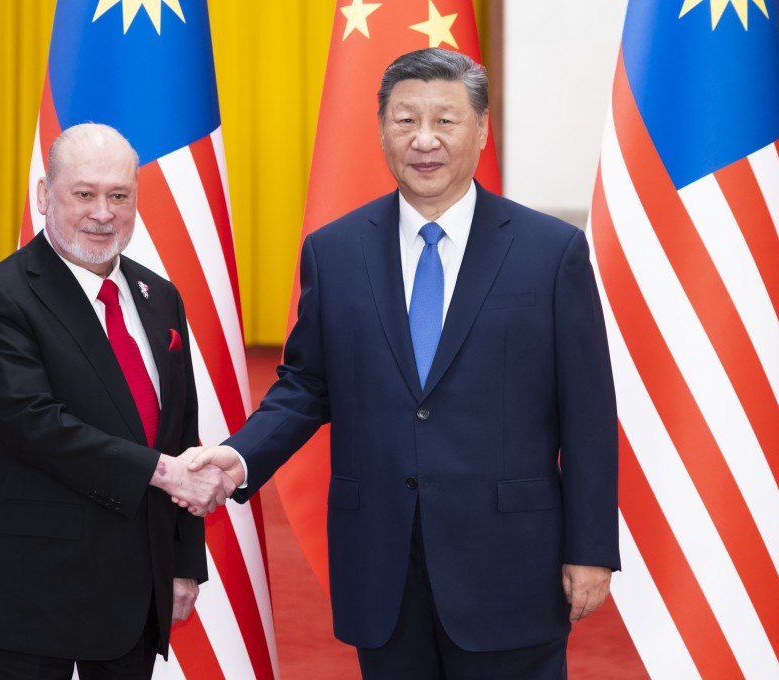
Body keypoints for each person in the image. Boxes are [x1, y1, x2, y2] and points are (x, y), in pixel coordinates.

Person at [183, 48, 620, 679]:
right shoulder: (334, 251)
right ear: (382, 128)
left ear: (482, 129)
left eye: (445, 120)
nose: (424, 139)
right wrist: (241, 455)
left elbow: (588, 414)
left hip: (510, 562)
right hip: (383, 562)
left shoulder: (551, 253)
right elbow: (306, 385)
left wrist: (591, 547)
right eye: (406, 119)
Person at [0, 123, 235, 679]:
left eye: (119, 195)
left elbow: (181, 432)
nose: (103, 213)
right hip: (33, 590)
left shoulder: (160, 297)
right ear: (45, 195)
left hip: (135, 590)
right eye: (84, 193)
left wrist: (182, 562)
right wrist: (164, 474)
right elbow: (35, 425)